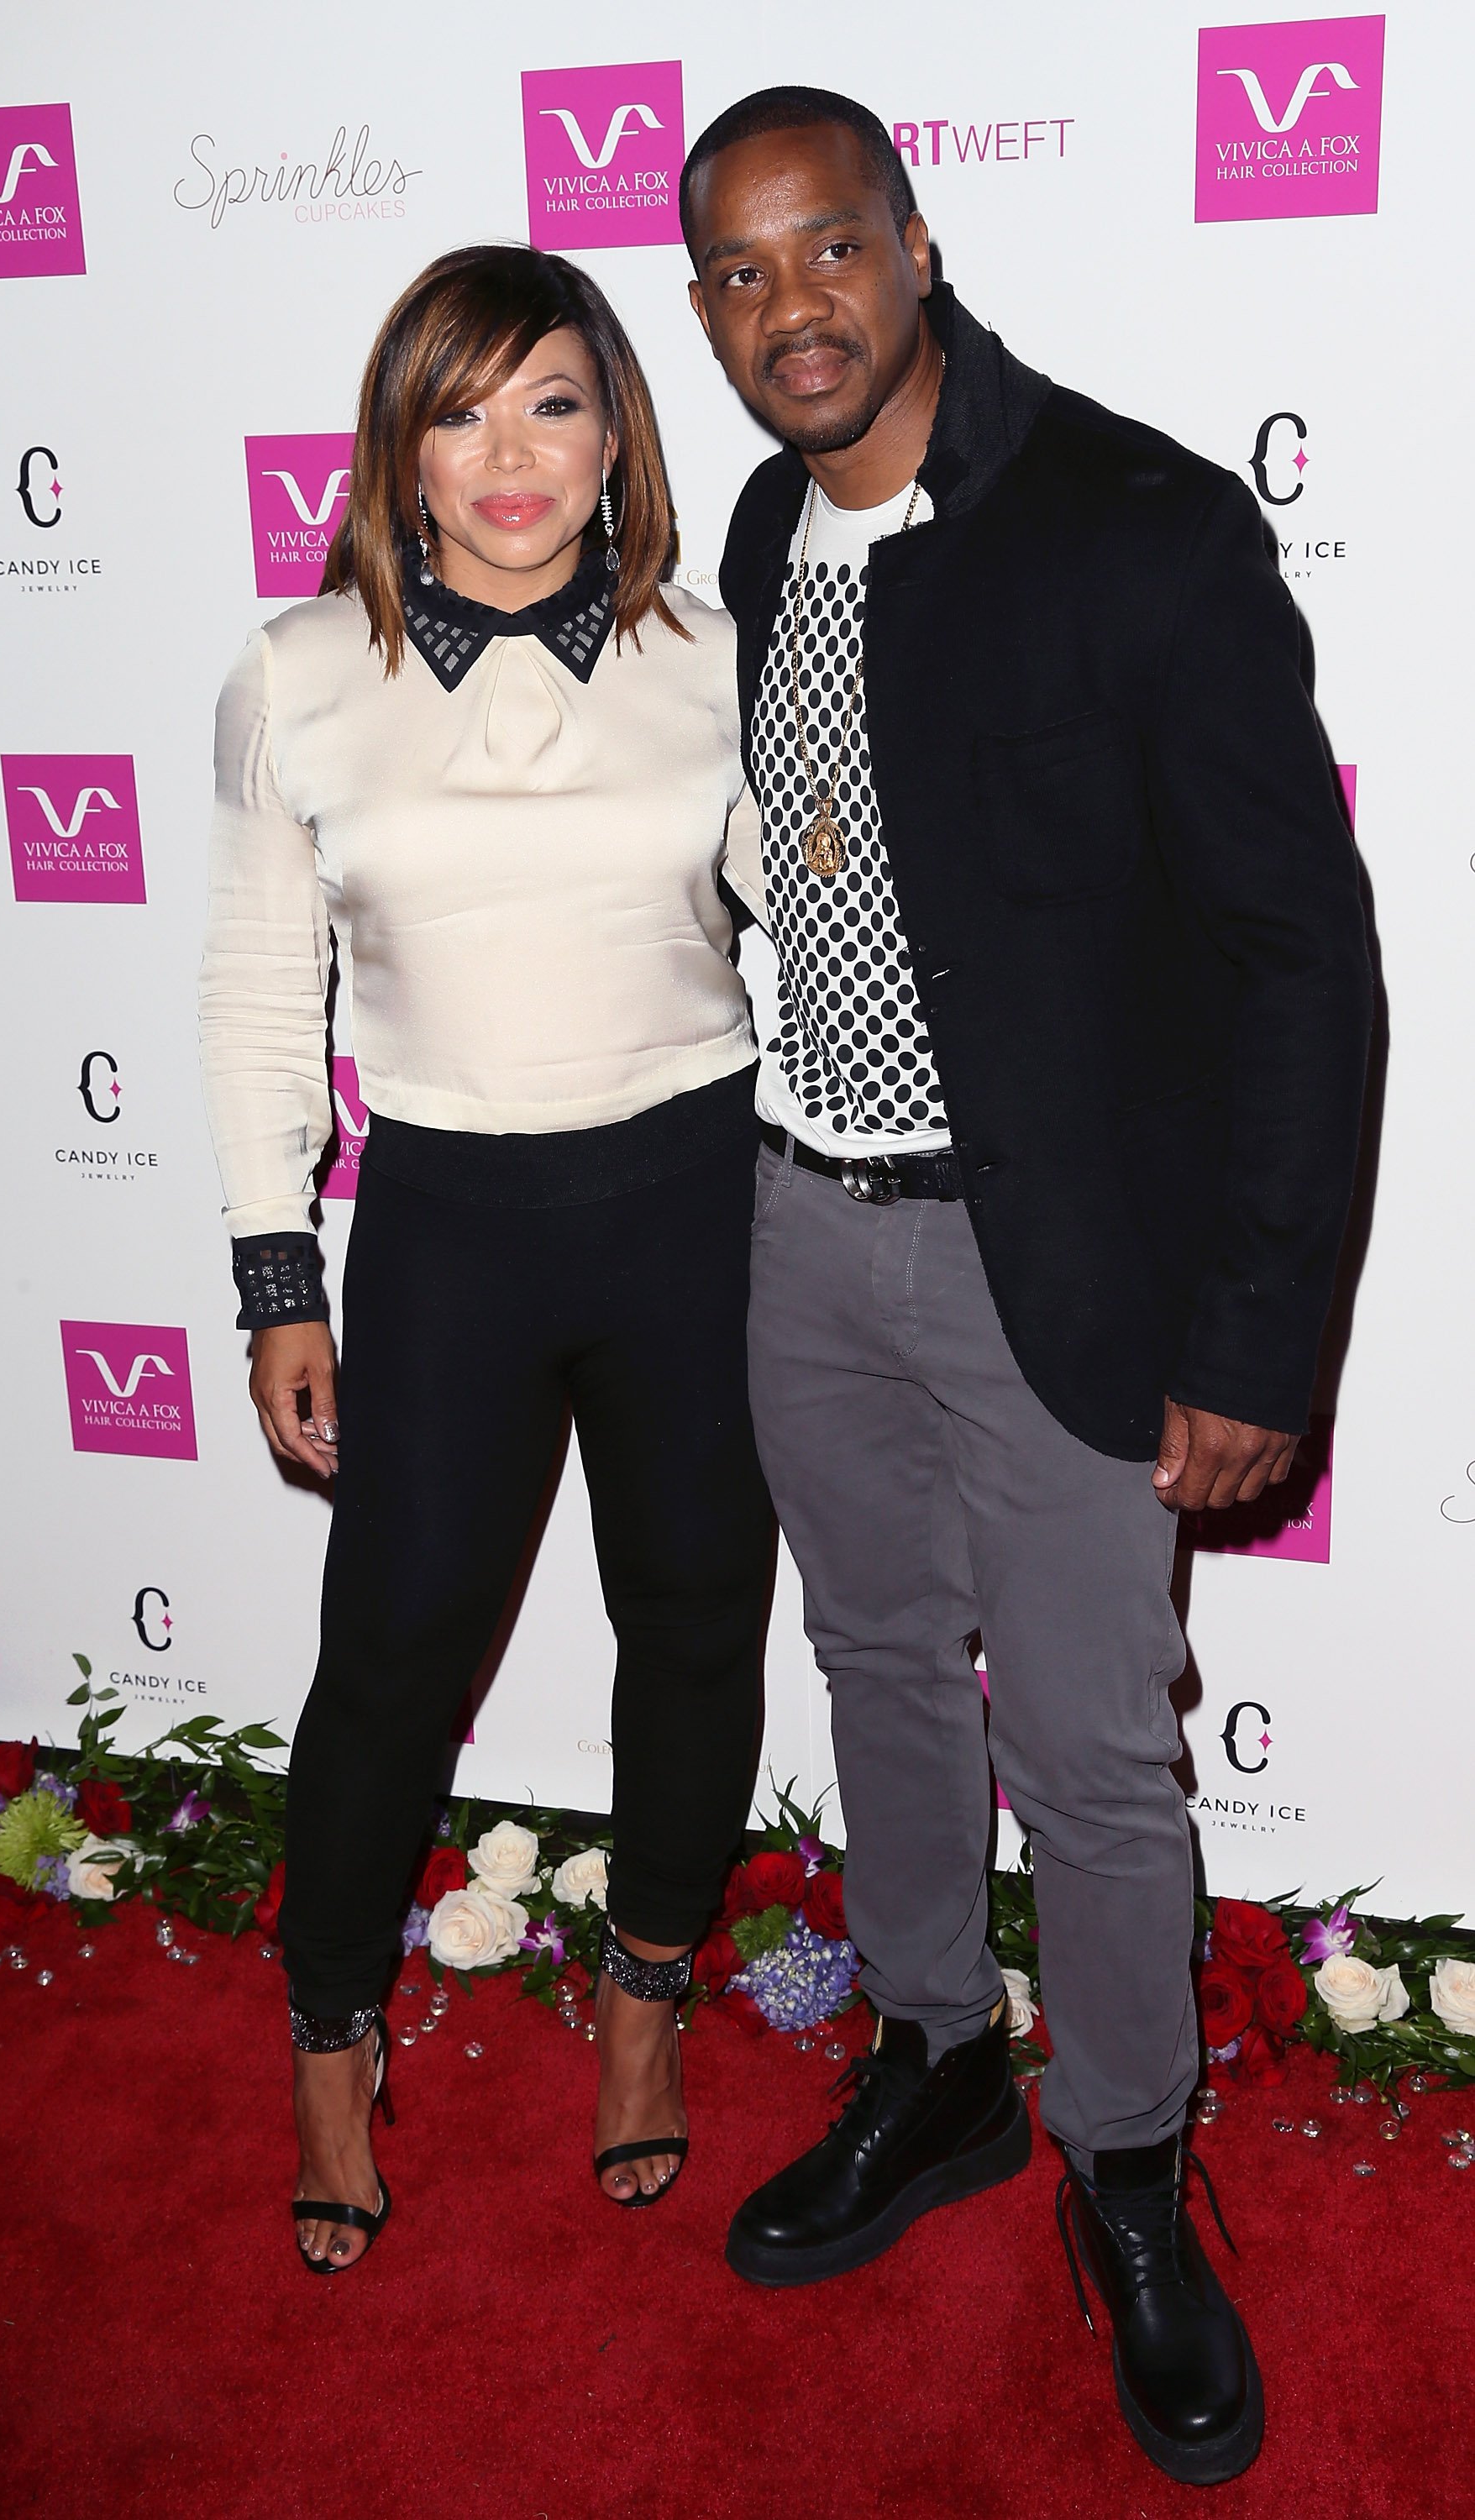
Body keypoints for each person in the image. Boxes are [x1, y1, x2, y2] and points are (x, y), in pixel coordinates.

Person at [680, 87, 1372, 2486]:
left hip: (1050, 1260)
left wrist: (1248, 1336)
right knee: (874, 1665)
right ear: (706, 313)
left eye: (828, 250)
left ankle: (1124, 2168)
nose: (795, 308)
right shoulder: (762, 531)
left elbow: (1301, 965)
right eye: (742, 276)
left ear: (912, 240)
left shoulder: (1138, 529)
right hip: (799, 1223)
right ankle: (933, 2057)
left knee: (1086, 1750)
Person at [198, 243, 773, 2271]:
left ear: (618, 430)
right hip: (444, 1218)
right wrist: (280, 1274)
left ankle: (643, 1999)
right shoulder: (296, 674)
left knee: (697, 1620)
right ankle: (334, 2039)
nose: (509, 456)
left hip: (700, 1194)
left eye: (553, 403)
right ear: (400, 449)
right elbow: (268, 996)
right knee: (387, 1664)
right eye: (462, 410)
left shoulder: (717, 654)